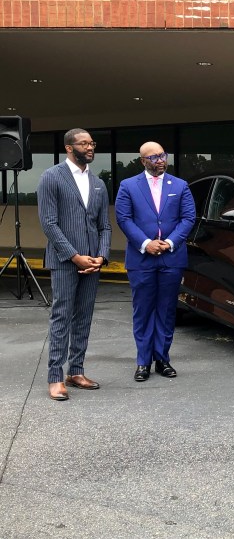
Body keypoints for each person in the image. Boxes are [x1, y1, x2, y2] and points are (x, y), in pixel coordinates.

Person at [37, 128, 111, 401]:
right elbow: (49, 223)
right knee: (62, 316)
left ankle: (76, 371)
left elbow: (104, 226)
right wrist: (74, 255)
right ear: (69, 148)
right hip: (65, 261)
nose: (90, 147)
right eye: (83, 143)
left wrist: (101, 256)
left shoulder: (98, 183)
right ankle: (55, 377)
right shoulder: (51, 177)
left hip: (92, 262)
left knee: (84, 317)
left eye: (92, 143)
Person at [115, 141, 196, 382]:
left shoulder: (180, 185)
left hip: (172, 258)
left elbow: (188, 218)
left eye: (162, 155)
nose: (160, 160)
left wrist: (170, 243)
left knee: (167, 310)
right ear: (143, 161)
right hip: (141, 258)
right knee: (143, 310)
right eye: (153, 157)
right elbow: (124, 219)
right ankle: (143, 362)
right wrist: (145, 243)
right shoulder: (128, 186)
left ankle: (162, 359)